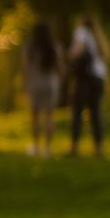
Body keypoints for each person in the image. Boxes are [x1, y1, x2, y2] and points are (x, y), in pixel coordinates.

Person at [67, 15, 109, 158]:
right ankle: (98, 149)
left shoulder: (81, 32)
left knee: (77, 112)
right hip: (99, 78)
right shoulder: (98, 36)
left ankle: (74, 147)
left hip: (85, 78)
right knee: (96, 113)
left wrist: (69, 55)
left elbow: (76, 51)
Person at [22, 22, 63, 157]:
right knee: (49, 116)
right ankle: (48, 149)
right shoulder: (54, 47)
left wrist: (24, 85)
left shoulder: (31, 48)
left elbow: (26, 68)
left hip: (35, 83)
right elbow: (59, 68)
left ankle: (35, 146)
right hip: (50, 83)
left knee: (35, 116)